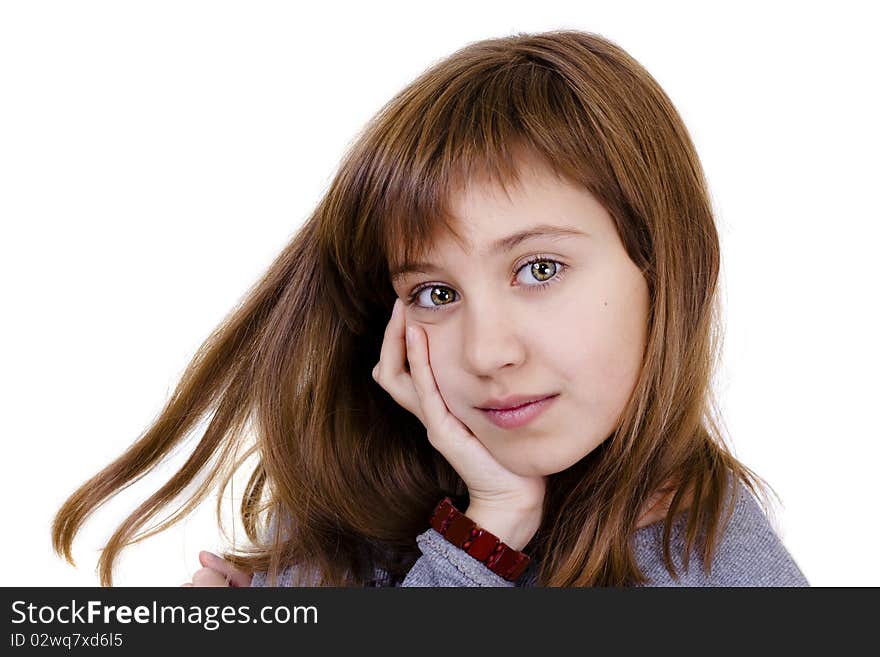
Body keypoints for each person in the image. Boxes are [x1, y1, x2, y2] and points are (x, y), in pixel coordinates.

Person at [52, 29, 809, 587]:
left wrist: (487, 532)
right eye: (436, 293)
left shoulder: (725, 577)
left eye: (539, 268)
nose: (487, 353)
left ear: (668, 265)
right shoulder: (365, 508)